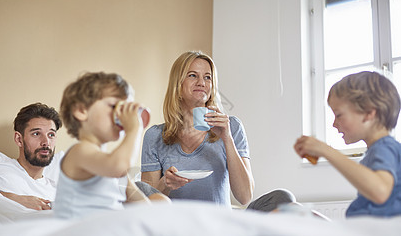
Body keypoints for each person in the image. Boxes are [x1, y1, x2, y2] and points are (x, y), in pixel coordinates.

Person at [141, 51, 295, 211]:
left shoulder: (232, 126)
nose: (202, 82)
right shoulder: (155, 136)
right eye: (193, 75)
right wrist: (166, 183)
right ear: (177, 85)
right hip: (180, 225)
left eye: (208, 77)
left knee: (283, 198)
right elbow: (144, 204)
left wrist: (226, 137)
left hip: (221, 224)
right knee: (139, 188)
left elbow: (244, 196)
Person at [54, 71, 169, 220]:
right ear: (81, 111)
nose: (121, 116)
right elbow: (119, 166)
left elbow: (140, 204)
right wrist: (134, 129)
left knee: (161, 203)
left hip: (106, 229)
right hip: (81, 234)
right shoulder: (80, 151)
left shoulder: (113, 166)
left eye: (124, 108)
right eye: (114, 106)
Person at [294, 71, 401, 217]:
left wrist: (326, 150)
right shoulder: (377, 150)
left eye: (339, 115)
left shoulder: (385, 148)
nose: (334, 124)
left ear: (369, 112)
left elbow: (380, 192)